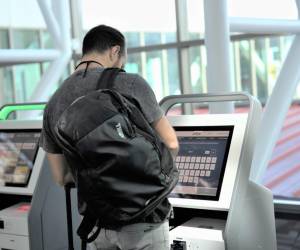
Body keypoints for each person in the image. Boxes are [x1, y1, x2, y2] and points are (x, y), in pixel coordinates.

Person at [40, 24, 179, 250]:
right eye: (122, 60)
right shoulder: (131, 83)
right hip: (144, 219)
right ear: (115, 51)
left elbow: (61, 176)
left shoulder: (54, 102)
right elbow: (171, 143)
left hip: (98, 226)